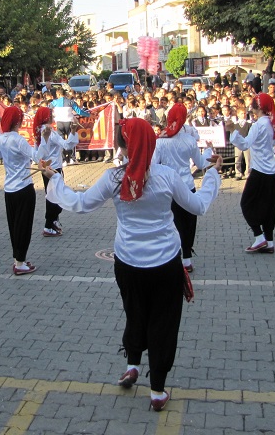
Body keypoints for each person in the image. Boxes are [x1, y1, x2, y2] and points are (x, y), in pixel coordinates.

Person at [42, 117, 221, 412]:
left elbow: (81, 203)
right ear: (150, 143)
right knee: (163, 323)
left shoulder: (113, 177)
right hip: (165, 263)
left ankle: (132, 364)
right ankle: (157, 389)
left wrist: (55, 179)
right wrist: (212, 174)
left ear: (122, 147)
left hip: (128, 262)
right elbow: (198, 205)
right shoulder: (165, 176)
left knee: (135, 312)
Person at [152, 103, 213, 272]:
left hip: (168, 187)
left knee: (170, 223)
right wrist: (209, 150)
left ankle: (171, 257)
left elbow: (153, 164)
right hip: (187, 185)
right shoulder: (189, 140)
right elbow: (201, 163)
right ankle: (187, 259)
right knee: (188, 223)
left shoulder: (161, 141)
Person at [0, 106, 38, 275]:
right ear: (18, 122)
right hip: (23, 186)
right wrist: (41, 141)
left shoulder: (2, 139)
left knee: (14, 224)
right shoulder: (18, 140)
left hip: (9, 187)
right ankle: (20, 262)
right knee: (24, 225)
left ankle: (18, 258)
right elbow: (36, 156)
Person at [230, 93, 275, 254]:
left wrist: (233, 131)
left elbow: (245, 144)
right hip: (271, 171)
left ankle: (259, 236)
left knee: (246, 203)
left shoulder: (258, 125)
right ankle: (269, 241)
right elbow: (273, 142)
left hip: (259, 171)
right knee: (269, 207)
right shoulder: (271, 124)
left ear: (257, 107)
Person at [33, 106, 79, 237]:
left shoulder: (38, 131)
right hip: (53, 168)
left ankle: (53, 222)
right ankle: (49, 225)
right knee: (55, 196)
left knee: (52, 195)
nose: (53, 116)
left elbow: (37, 153)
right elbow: (67, 145)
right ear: (46, 117)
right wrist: (73, 131)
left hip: (45, 167)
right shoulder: (50, 133)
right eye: (51, 115)